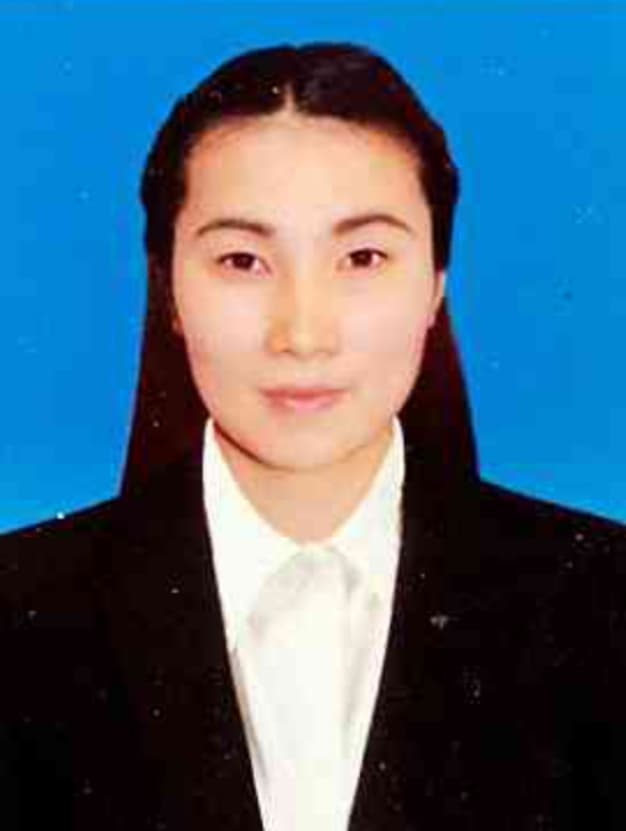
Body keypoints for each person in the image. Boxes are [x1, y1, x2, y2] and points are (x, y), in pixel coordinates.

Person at [1, 42, 624, 831]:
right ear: (170, 287)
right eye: (242, 260)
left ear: (436, 283)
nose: (302, 333)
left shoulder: (604, 608)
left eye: (362, 256)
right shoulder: (19, 615)